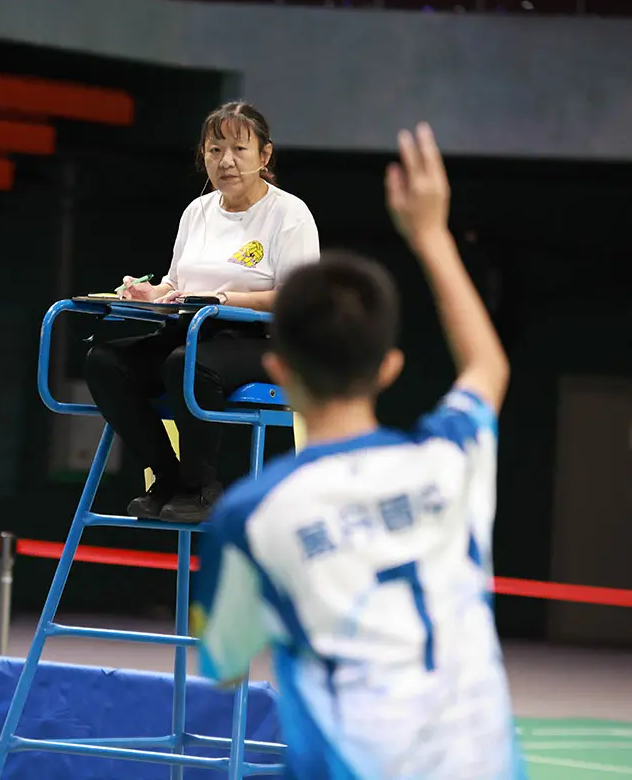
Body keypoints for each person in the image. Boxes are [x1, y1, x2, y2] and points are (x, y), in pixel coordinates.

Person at [191, 124, 525, 779]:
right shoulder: (450, 461)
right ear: (390, 368)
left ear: (278, 371)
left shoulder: (253, 514)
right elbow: (489, 367)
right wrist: (431, 235)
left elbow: (224, 665)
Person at [85, 100, 320, 524]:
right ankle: (168, 477)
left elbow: (297, 296)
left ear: (264, 155)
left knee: (187, 364)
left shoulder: (289, 213)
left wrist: (226, 300)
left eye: (239, 149)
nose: (226, 161)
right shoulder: (197, 211)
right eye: (215, 150)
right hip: (191, 331)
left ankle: (200, 489)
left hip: (261, 342)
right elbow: (175, 283)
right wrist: (150, 293)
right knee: (106, 362)